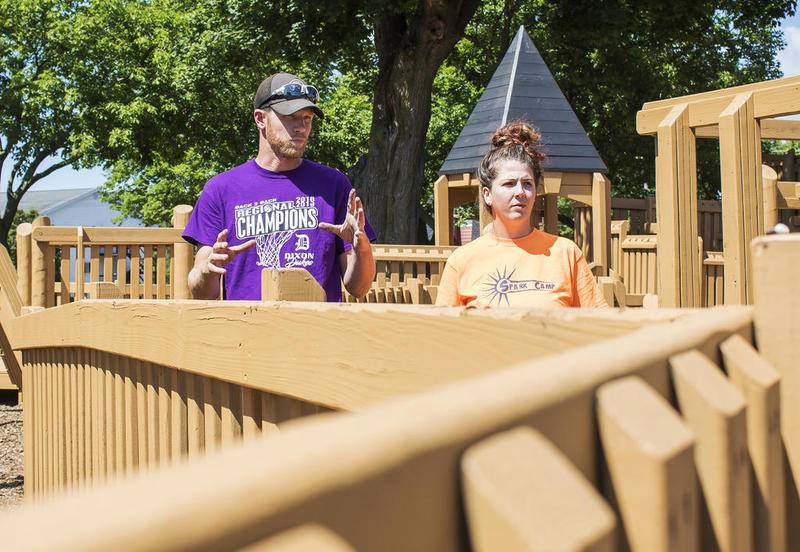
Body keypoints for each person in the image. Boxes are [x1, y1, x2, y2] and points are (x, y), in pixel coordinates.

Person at [183, 72, 376, 301]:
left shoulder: (333, 184)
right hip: (248, 332)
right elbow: (200, 291)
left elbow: (359, 288)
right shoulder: (221, 190)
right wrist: (207, 271)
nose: (301, 127)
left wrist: (361, 247)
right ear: (260, 119)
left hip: (318, 332)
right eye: (291, 116)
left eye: (307, 118)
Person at [435, 121, 607, 308]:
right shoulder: (461, 261)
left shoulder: (566, 253)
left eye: (527, 183)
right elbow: (441, 333)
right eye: (509, 183)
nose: (520, 192)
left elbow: (602, 324)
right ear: (487, 194)